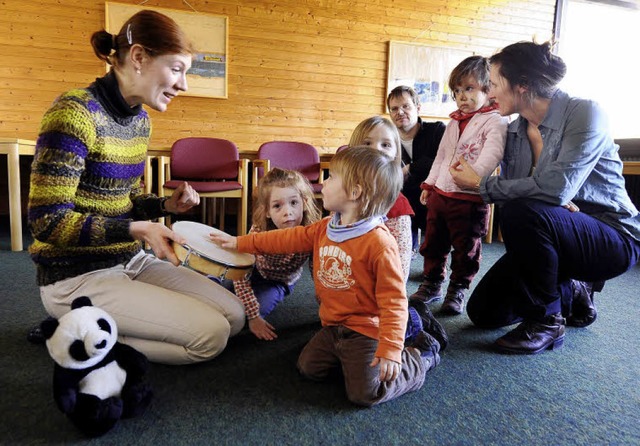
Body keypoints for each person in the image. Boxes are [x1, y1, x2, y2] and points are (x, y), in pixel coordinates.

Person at [26, 10, 245, 365]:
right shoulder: (73, 114)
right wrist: (132, 228)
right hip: (77, 276)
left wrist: (164, 207)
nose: (183, 84)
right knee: (211, 338)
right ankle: (73, 326)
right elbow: (46, 221)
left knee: (235, 316)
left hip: (130, 260)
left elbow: (124, 198)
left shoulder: (139, 120)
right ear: (139, 57)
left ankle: (95, 324)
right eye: (176, 69)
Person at [449, 41, 640, 355]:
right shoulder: (513, 131)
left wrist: (483, 184)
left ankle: (547, 321)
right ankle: (572, 288)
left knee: (525, 211)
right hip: (555, 233)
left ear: (522, 86)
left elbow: (553, 190)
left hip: (613, 238)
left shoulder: (584, 112)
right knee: (484, 313)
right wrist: (545, 198)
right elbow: (532, 195)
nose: (489, 90)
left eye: (494, 83)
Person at [211, 147, 441, 406]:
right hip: (334, 326)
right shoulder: (327, 226)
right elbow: (286, 238)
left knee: (364, 394)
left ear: (354, 192)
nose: (322, 184)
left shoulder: (378, 243)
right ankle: (354, 365)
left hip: (366, 330)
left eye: (331, 178)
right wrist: (240, 243)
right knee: (309, 368)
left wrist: (390, 349)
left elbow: (394, 302)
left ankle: (420, 356)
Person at [410, 56, 508, 315]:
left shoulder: (496, 120)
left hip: (469, 198)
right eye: (457, 91)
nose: (461, 96)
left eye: (469, 88)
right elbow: (442, 156)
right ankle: (432, 283)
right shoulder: (454, 121)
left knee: (466, 247)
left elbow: (493, 153)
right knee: (433, 241)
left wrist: (474, 176)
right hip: (441, 195)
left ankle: (458, 287)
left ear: (488, 89)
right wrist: (429, 184)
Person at [222, 168, 321, 341]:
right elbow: (240, 271)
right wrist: (253, 316)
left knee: (254, 310)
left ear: (304, 203)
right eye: (277, 206)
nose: (287, 212)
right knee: (220, 292)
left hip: (279, 282)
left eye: (293, 203)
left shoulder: (312, 232)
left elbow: (318, 273)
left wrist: (326, 307)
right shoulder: (259, 230)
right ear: (267, 211)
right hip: (252, 272)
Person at [348, 116, 414, 282]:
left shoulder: (397, 204)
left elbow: (401, 260)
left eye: (385, 145)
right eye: (367, 143)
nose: (375, 149)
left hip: (379, 288)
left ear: (395, 155)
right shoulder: (344, 195)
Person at [387, 86, 446, 252]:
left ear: (417, 108)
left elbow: (445, 161)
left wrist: (410, 168)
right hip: (404, 196)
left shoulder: (437, 130)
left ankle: (434, 265)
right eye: (394, 108)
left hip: (433, 193)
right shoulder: (388, 138)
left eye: (406, 106)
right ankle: (406, 248)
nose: (400, 112)